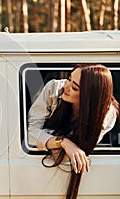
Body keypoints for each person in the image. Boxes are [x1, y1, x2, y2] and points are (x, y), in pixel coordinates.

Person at [28, 63, 119, 199]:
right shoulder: (53, 89)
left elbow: (76, 151)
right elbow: (30, 134)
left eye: (74, 87)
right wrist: (63, 142)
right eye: (69, 79)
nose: (66, 87)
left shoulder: (107, 115)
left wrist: (48, 138)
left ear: (89, 97)